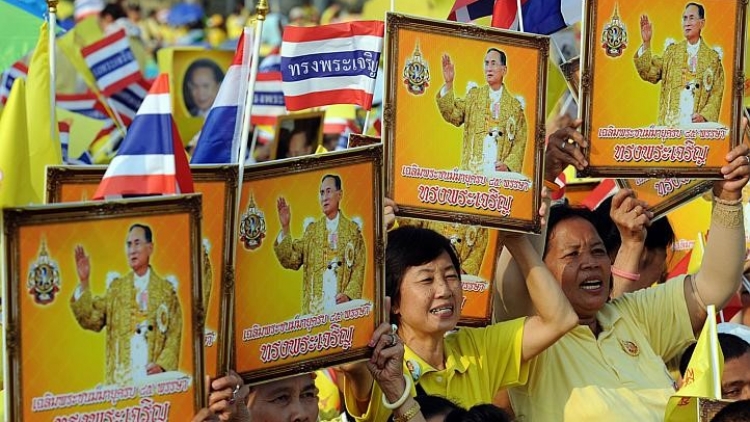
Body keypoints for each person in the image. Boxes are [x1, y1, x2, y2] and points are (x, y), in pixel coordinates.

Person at [493, 121, 749, 420]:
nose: (590, 262)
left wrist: (727, 197)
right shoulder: (530, 337)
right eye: (572, 254)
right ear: (539, 269)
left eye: (598, 250)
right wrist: (544, 181)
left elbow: (715, 287)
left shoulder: (629, 315)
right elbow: (514, 280)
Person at [342, 225, 578, 422]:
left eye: (451, 275)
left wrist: (515, 239)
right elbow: (354, 368)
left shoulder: (477, 349)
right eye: (427, 280)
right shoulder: (382, 365)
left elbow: (560, 319)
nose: (444, 290)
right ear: (393, 302)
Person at [70, 224, 182, 385]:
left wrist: (162, 366)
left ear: (150, 248)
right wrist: (84, 282)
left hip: (153, 381)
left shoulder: (166, 291)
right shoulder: (116, 289)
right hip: (122, 381)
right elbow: (92, 320)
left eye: (137, 243)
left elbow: (174, 334)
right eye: (129, 244)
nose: (132, 250)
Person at [274, 174, 366, 314]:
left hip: (341, 310)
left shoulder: (353, 232)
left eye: (329, 191)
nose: (324, 197)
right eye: (322, 193)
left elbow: (358, 268)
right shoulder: (311, 231)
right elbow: (291, 260)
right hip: (315, 310)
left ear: (339, 194)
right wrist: (286, 227)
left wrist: (348, 295)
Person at [436, 48, 528, 174]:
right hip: (472, 171)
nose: (489, 68)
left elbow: (520, 141)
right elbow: (453, 115)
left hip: (498, 178)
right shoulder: (474, 96)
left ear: (504, 70)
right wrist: (448, 84)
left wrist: (508, 165)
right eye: (486, 63)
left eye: (493, 63)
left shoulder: (515, 107)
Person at [634, 2, 724, 126]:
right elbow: (649, 73)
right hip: (671, 125)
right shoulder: (672, 52)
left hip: (696, 128)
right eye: (685, 18)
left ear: (702, 23)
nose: (687, 23)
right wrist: (646, 43)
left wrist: (704, 116)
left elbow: (716, 93)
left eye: (691, 18)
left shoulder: (712, 59)